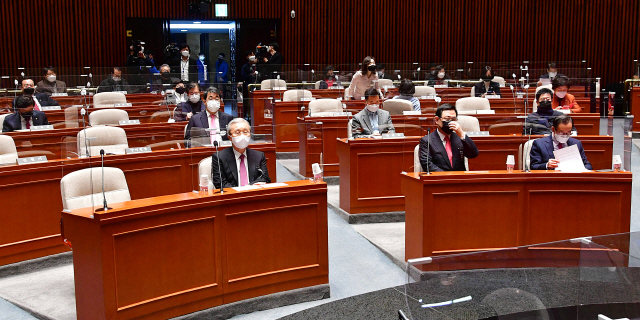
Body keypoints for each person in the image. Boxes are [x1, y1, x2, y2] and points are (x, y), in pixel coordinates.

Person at [211, 118, 271, 189]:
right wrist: (241, 191)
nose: (242, 135)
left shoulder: (259, 155)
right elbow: (220, 183)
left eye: (245, 132)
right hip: (232, 197)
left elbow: (265, 178)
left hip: (253, 195)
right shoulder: (219, 157)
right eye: (237, 132)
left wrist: (249, 188)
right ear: (230, 137)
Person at [419, 104, 479, 171]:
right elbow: (427, 164)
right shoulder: (427, 140)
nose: (450, 122)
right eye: (447, 119)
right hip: (439, 179)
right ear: (437, 120)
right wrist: (447, 176)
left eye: (453, 119)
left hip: (459, 179)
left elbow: (473, 154)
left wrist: (462, 134)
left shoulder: (459, 137)